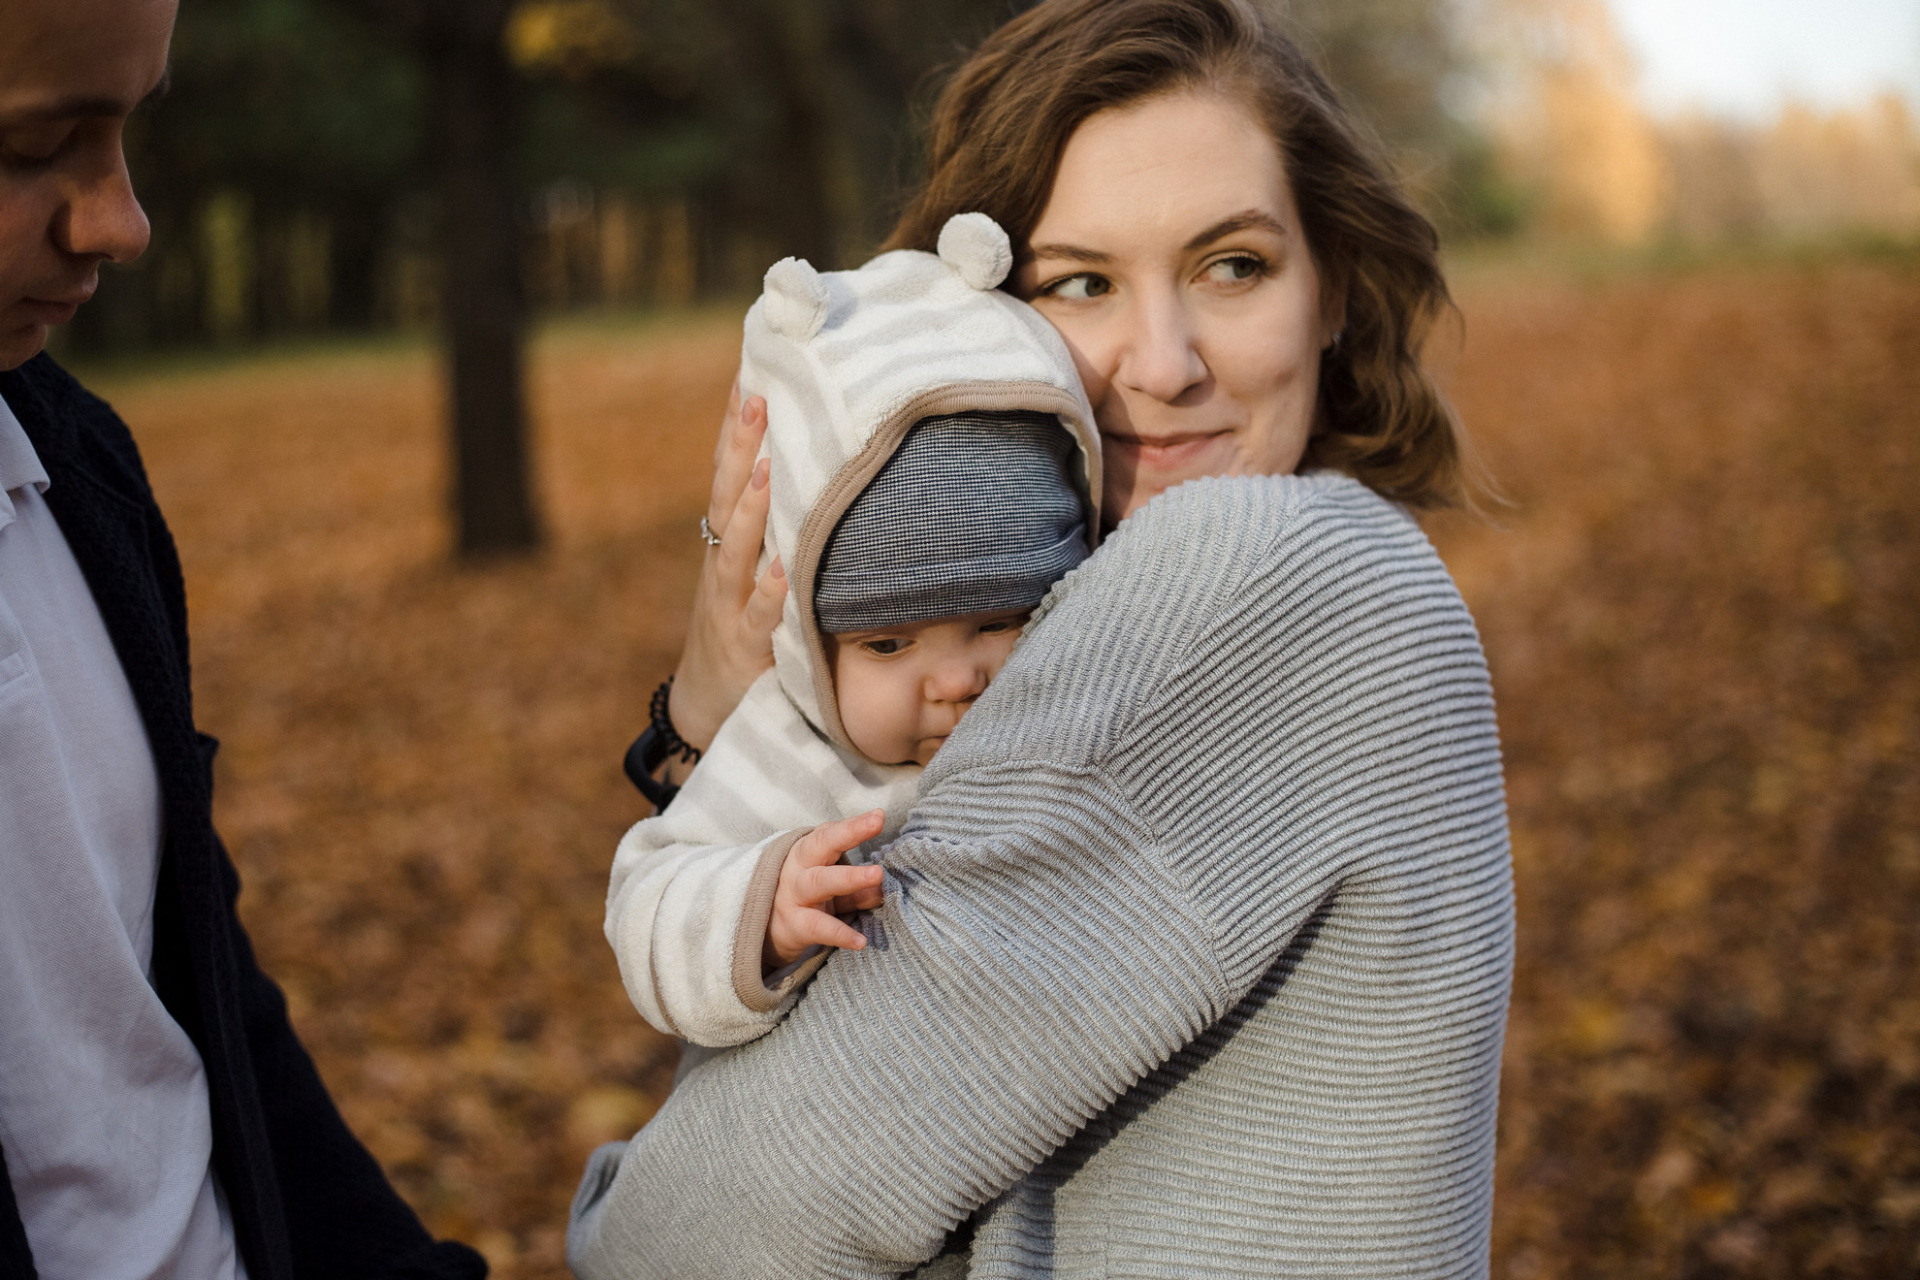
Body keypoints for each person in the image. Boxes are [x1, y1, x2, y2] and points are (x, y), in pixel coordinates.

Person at [570, 0, 1512, 1276]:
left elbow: (709, 1230)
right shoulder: (1226, 595)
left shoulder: (1255, 579)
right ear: (980, 319)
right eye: (1081, 284)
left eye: (1233, 265)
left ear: (1333, 287)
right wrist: (727, 716)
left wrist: (609, 1219)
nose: (1164, 364)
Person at [0, 1, 485, 1275]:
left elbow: (192, 986)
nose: (119, 220)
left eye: (126, 133)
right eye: (31, 147)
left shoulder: (73, 471)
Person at [604, 215, 1099, 1047]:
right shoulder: (802, 758)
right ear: (810, 641)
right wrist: (763, 904)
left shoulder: (1091, 704)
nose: (954, 683)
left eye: (1000, 621)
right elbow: (647, 901)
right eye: (887, 643)